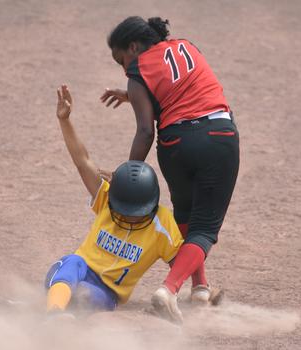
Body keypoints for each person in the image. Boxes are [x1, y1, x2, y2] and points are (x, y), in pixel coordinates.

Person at [101, 16, 240, 321]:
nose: (123, 68)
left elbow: (146, 131)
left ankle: (200, 289)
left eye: (121, 59)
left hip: (175, 145)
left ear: (134, 47)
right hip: (217, 136)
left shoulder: (137, 73)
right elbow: (180, 84)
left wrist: (128, 175)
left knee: (186, 214)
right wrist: (134, 93)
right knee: (204, 229)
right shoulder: (187, 46)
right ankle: (168, 290)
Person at [45, 84, 184, 321]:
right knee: (72, 262)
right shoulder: (108, 199)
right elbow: (82, 161)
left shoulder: (162, 225)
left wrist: (201, 289)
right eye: (123, 210)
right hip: (77, 270)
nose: (128, 217)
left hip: (105, 292)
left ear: (151, 207)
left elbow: (183, 263)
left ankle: (45, 312)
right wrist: (65, 120)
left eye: (136, 213)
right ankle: (53, 316)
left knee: (84, 297)